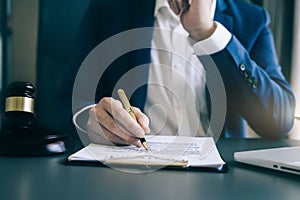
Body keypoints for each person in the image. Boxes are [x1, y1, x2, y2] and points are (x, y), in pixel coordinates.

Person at [70, 0, 295, 147]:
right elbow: (68, 99)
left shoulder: (252, 19)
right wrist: (93, 120)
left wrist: (208, 34)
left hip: (219, 178)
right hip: (132, 167)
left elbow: (279, 121)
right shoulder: (109, 8)